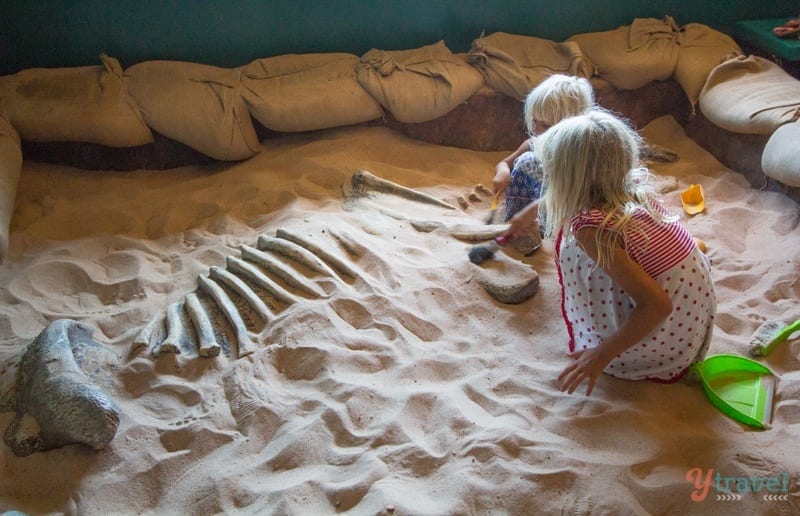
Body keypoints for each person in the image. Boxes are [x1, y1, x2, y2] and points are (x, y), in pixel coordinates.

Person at [506, 108, 716, 396]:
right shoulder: (630, 187)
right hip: (692, 315)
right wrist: (533, 211)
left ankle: (614, 345)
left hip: (666, 334)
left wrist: (601, 354)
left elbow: (657, 306)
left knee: (575, 251)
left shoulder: (590, 229)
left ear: (571, 179)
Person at [491, 74, 594, 254]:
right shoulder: (535, 143)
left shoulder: (582, 153)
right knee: (525, 160)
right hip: (531, 216)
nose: (536, 129)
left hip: (565, 215)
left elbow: (579, 196)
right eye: (534, 121)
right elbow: (504, 163)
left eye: (545, 125)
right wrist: (503, 172)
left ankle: (544, 231)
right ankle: (519, 226)